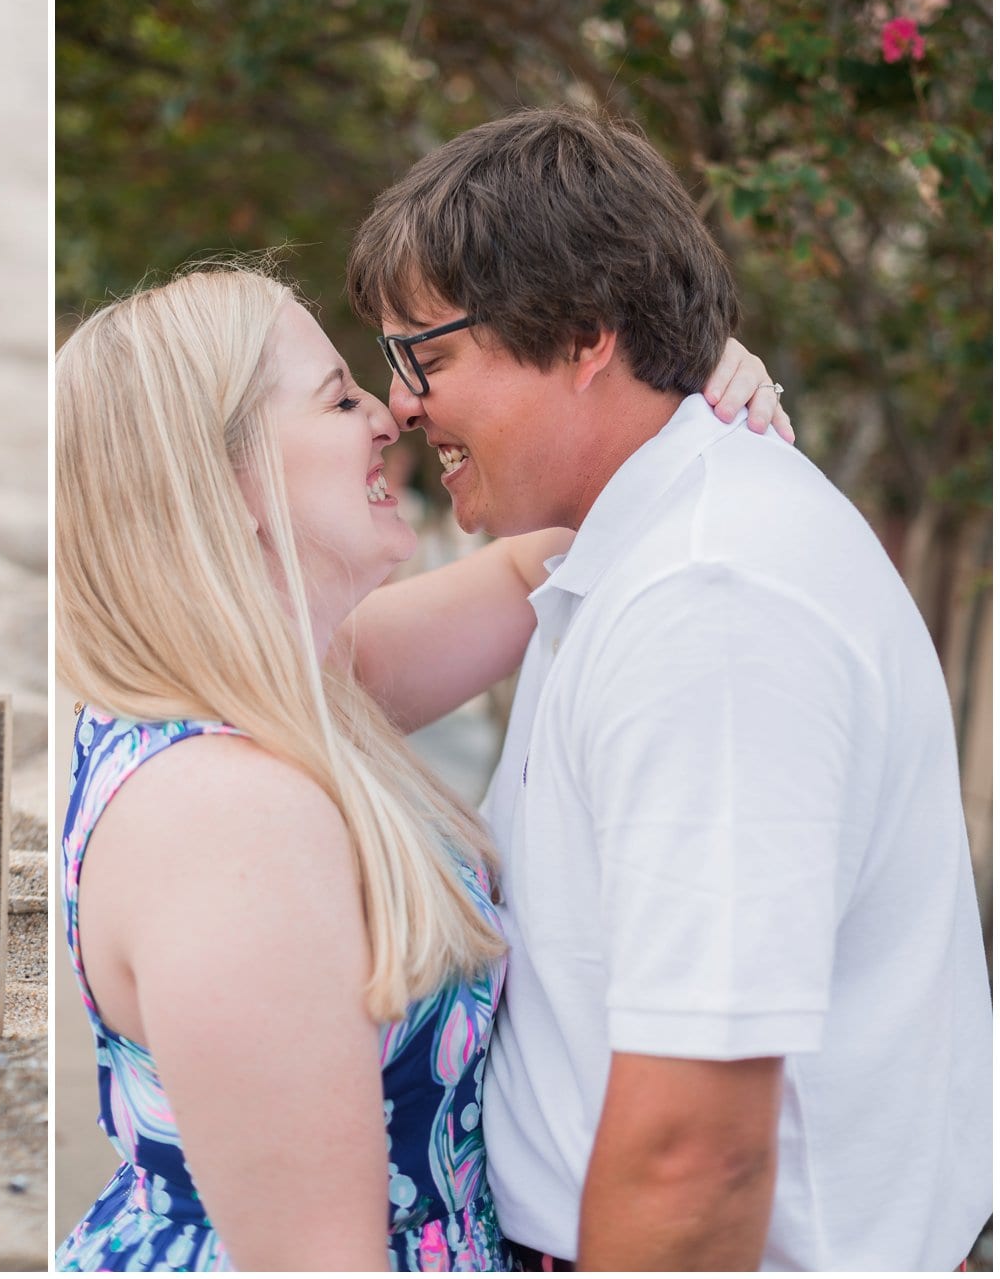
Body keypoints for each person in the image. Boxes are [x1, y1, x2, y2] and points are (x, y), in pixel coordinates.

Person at [346, 105, 992, 1271]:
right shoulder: (623, 545)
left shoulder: (710, 600)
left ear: (585, 332)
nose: (400, 404)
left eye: (426, 357)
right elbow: (314, 675)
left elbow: (698, 1147)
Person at [54, 260, 787, 1271]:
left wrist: (685, 388)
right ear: (226, 477)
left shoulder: (297, 684)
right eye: (337, 395)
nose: (388, 413)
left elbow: (565, 548)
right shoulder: (224, 815)